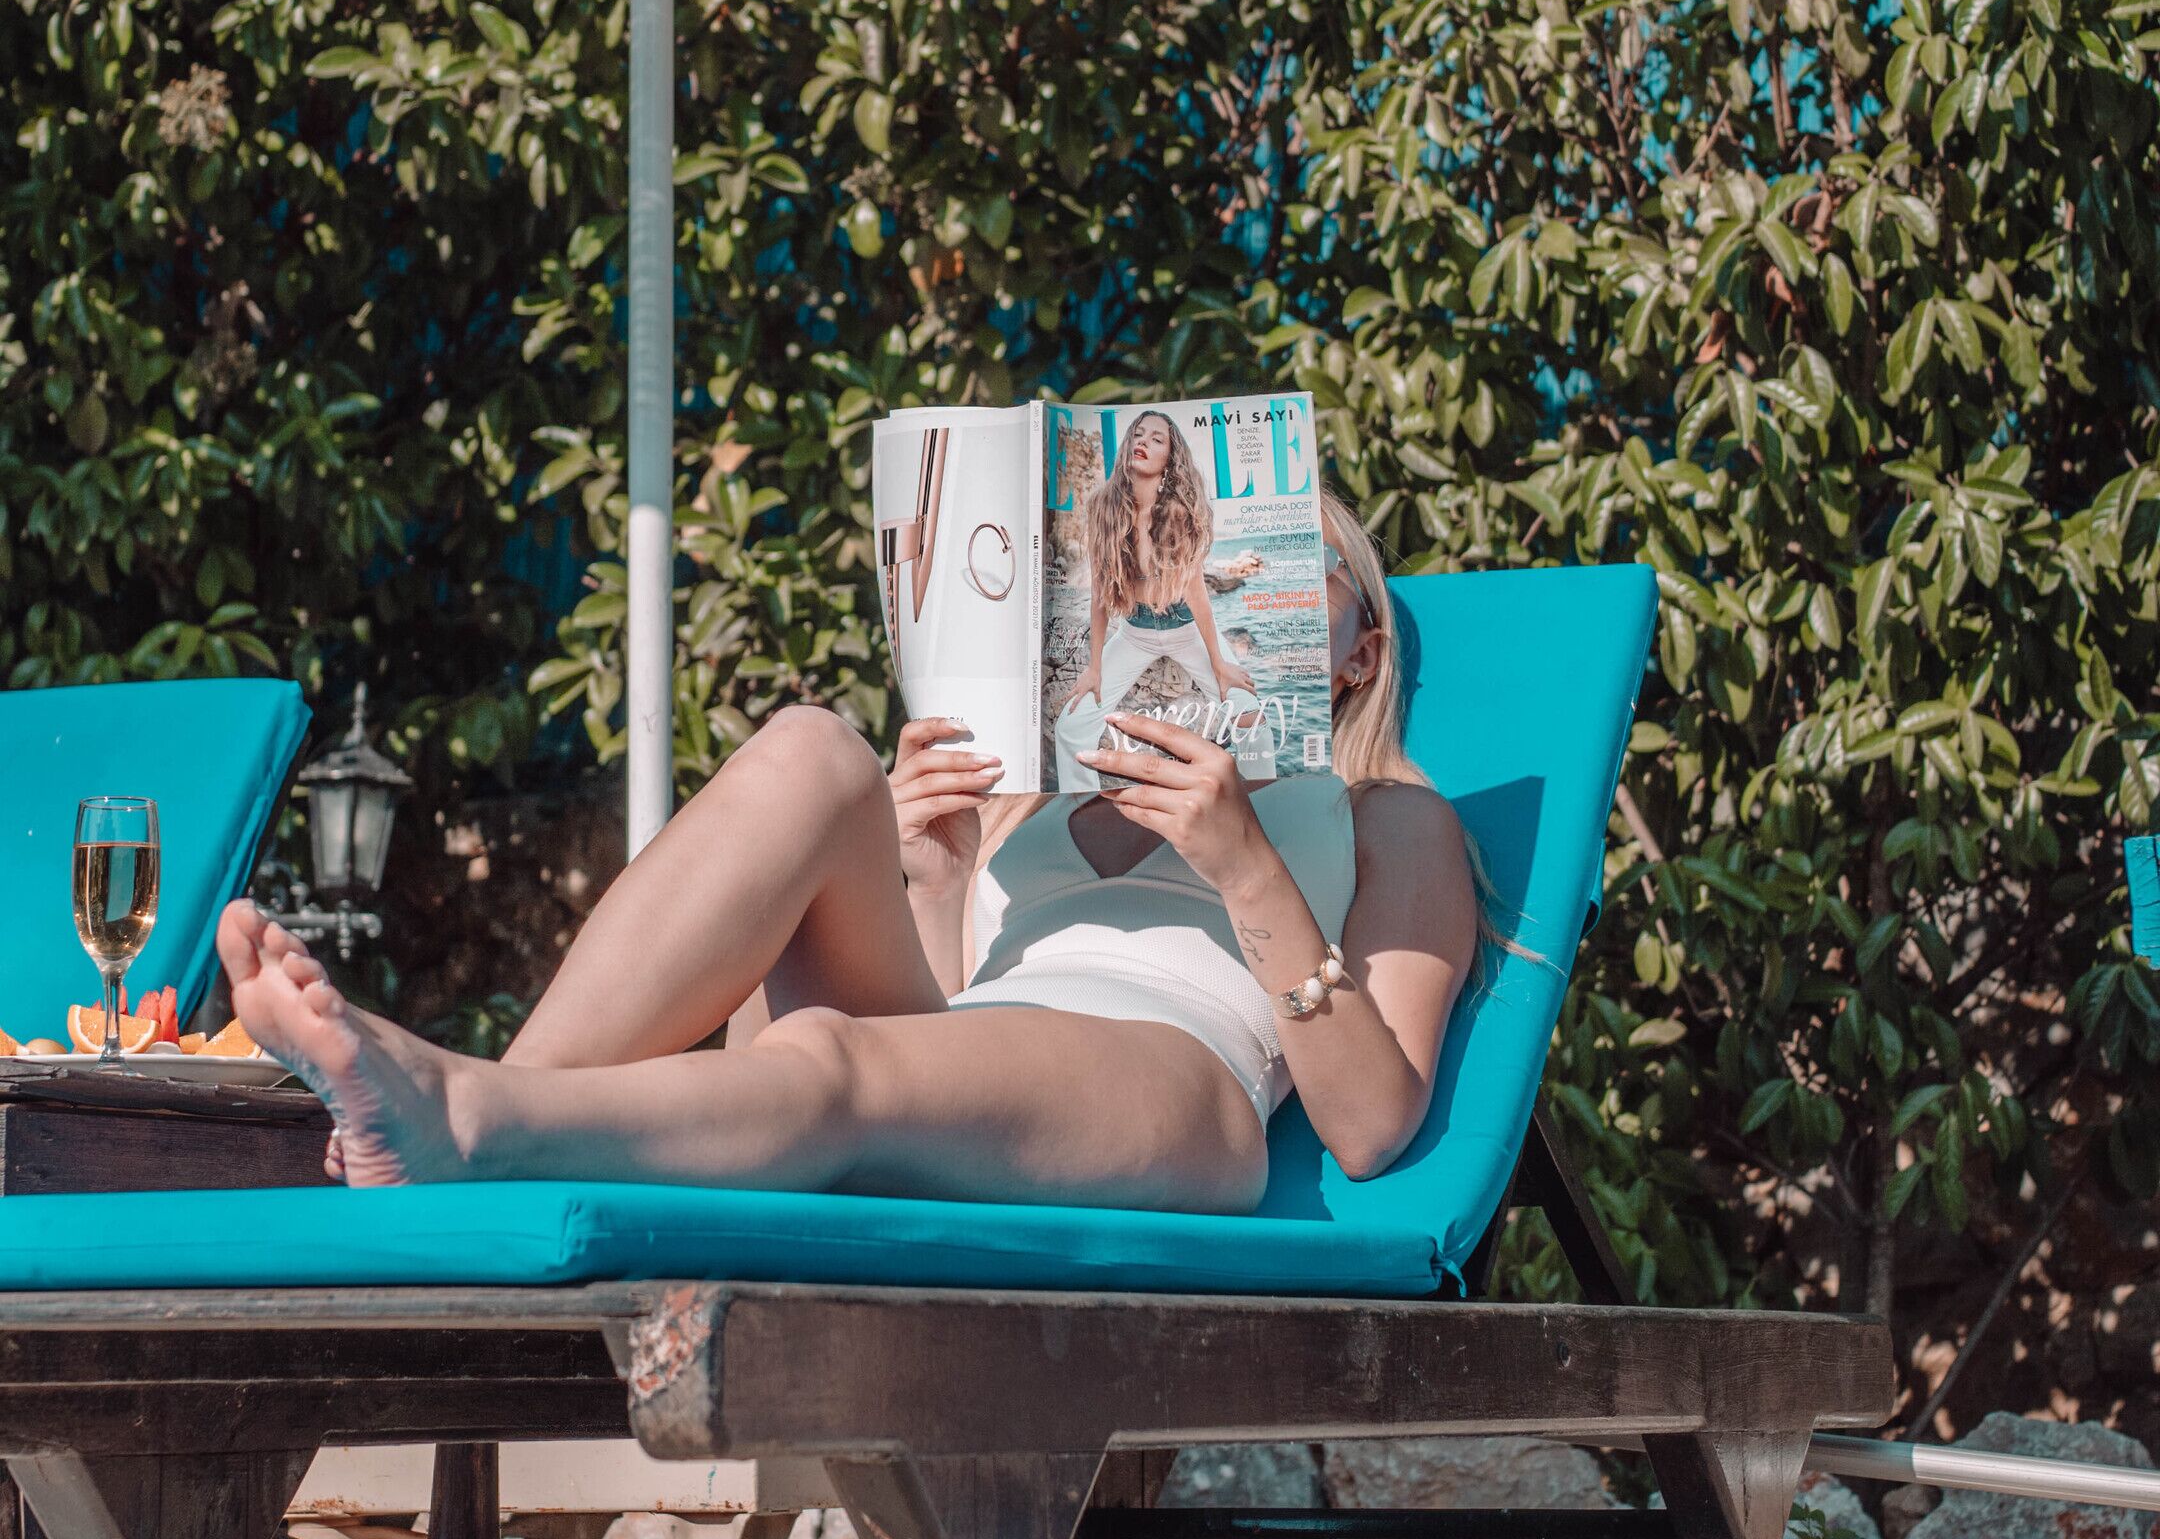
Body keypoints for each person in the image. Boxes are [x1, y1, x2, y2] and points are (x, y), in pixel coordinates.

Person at [217, 491, 1479, 1215]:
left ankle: (469, 1120)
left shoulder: (1383, 816)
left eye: (1290, 572)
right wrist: (927, 868)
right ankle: (485, 1128)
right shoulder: (1039, 790)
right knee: (816, 749)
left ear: (1359, 649)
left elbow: (1370, 1127)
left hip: (1176, 1086)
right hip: (973, 1052)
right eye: (1217, 568)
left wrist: (1246, 861)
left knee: (834, 1056)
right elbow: (958, 1001)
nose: (1238, 593)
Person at [1062, 407, 1257, 743]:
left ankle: (1256, 794)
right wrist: (1093, 667)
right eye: (1138, 435)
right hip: (1134, 632)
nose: (1143, 442)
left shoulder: (1177, 512)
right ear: (1127, 445)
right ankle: (1085, 795)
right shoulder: (1104, 505)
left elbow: (1196, 593)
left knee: (1250, 718)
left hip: (1185, 628)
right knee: (1070, 727)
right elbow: (1100, 592)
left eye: (1156, 439)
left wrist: (1219, 662)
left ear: (1169, 458)